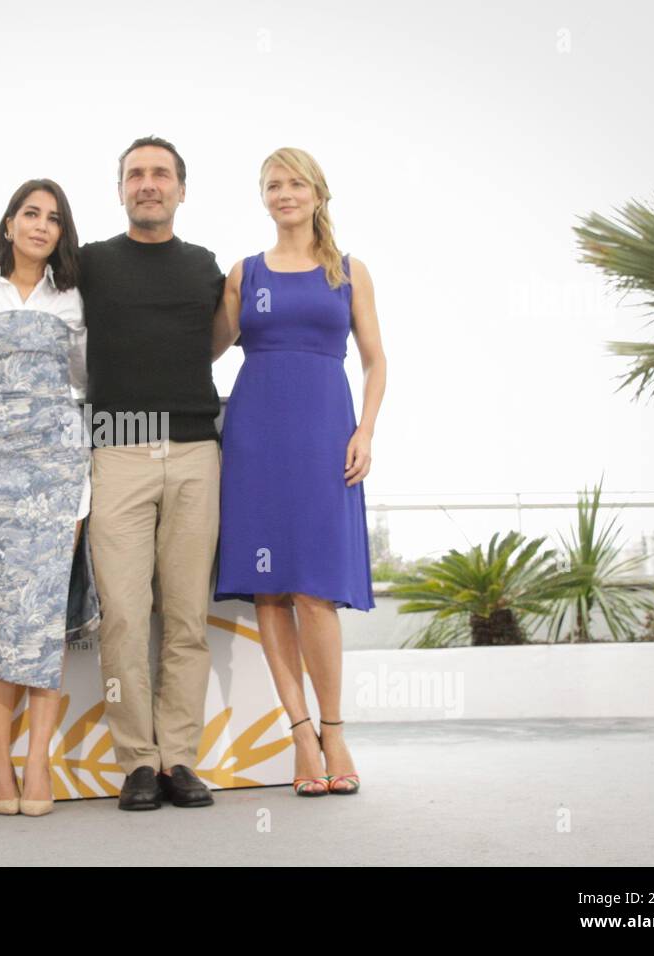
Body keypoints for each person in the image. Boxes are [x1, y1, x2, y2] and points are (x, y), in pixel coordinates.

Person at [211, 147, 386, 797]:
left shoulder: (350, 273)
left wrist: (365, 430)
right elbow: (208, 347)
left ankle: (334, 728)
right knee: (269, 589)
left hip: (323, 434)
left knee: (315, 588)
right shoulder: (243, 272)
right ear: (263, 197)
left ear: (318, 194)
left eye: (294, 183)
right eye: (272, 185)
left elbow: (375, 360)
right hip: (255, 437)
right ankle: (300, 734)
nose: (283, 193)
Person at [81, 136, 225, 811]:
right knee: (124, 619)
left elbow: (220, 340)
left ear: (180, 189)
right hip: (117, 451)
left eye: (160, 174)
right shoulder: (92, 263)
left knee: (188, 616)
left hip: (197, 451)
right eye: (135, 174)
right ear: (120, 190)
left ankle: (178, 760)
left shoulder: (204, 268)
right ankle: (137, 761)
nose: (148, 184)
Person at [0, 179, 100, 818]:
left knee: (44, 619)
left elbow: (89, 384)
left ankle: (37, 761)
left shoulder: (75, 300)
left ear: (62, 233)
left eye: (54, 218)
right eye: (30, 214)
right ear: (9, 223)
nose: (41, 225)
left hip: (59, 469)